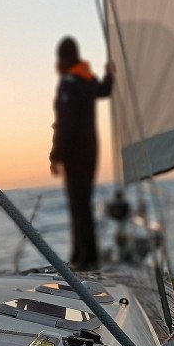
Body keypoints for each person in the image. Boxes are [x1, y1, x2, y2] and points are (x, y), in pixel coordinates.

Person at [49, 37, 114, 272]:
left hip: (74, 152)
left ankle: (82, 258)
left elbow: (66, 123)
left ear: (63, 58)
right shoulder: (88, 79)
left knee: (78, 205)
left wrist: (56, 155)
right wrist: (110, 75)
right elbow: (104, 91)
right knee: (84, 203)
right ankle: (88, 256)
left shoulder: (69, 83)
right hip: (91, 149)